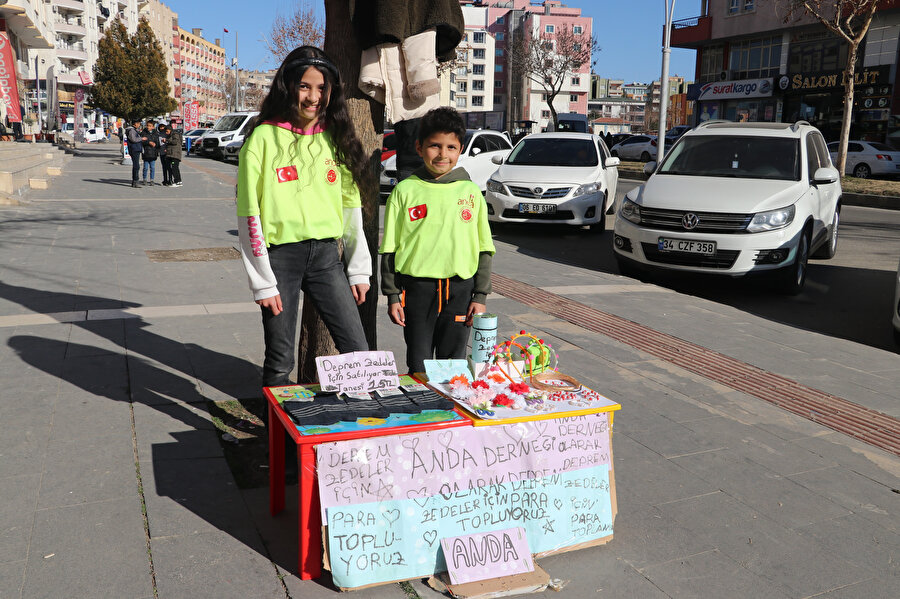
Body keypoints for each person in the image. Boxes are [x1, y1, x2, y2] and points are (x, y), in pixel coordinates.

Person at [236, 45, 372, 391]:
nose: (314, 97)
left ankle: (360, 428)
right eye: (305, 86)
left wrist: (357, 268)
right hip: (280, 259)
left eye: (322, 88)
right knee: (280, 360)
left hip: (327, 258)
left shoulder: (335, 136)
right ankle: (278, 442)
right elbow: (249, 213)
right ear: (288, 86)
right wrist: (262, 281)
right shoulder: (263, 137)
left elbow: (350, 207)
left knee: (356, 347)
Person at [379, 107, 495, 374]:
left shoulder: (471, 193)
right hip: (417, 291)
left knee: (453, 363)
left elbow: (484, 248)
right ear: (419, 147)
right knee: (418, 362)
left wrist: (480, 295)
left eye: (451, 147)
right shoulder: (405, 190)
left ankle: (450, 413)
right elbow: (390, 249)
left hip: (460, 291)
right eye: (435, 146)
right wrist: (393, 296)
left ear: (460, 149)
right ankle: (422, 412)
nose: (443, 154)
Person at [125, 119, 145, 188]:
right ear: (135, 124)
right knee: (136, 166)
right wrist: (141, 138)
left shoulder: (134, 130)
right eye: (138, 123)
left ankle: (135, 181)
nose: (139, 125)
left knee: (136, 166)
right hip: (134, 149)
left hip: (135, 149)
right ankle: (135, 181)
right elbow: (133, 139)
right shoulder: (131, 130)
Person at [140, 120, 160, 185]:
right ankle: (144, 179)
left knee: (152, 167)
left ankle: (152, 180)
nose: (148, 127)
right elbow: (141, 141)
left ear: (153, 127)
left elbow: (158, 143)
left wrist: (155, 144)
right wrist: (148, 142)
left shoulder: (156, 133)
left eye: (150, 126)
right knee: (145, 167)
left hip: (153, 153)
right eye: (147, 125)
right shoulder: (143, 132)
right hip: (146, 152)